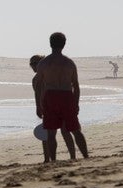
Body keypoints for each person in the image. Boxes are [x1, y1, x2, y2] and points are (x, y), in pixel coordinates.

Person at [35, 32, 89, 162]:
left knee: (51, 132)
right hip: (66, 95)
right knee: (76, 129)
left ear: (50, 44)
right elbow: (76, 85)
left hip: (50, 96)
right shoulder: (69, 63)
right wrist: (76, 103)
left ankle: (53, 160)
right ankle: (86, 157)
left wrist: (38, 105)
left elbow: (38, 86)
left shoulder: (43, 64)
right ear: (64, 44)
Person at [31, 55, 77, 163]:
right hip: (48, 108)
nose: (33, 66)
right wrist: (38, 107)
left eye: (35, 63)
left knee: (65, 131)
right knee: (47, 134)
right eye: (31, 64)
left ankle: (73, 157)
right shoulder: (35, 79)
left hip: (60, 106)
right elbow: (38, 94)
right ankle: (48, 159)